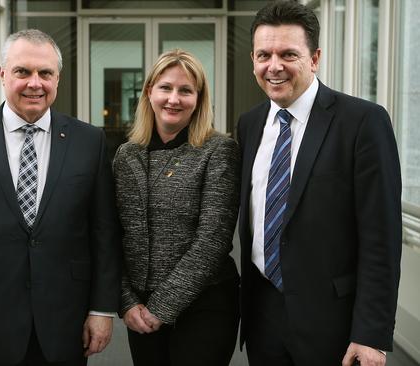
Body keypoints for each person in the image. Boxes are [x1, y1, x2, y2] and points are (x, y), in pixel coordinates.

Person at [0, 29, 121, 366]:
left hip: (65, 320)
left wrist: (101, 309)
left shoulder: (90, 142)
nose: (35, 83)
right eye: (23, 71)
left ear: (57, 79)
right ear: (3, 74)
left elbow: (104, 232)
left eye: (45, 73)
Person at [236, 2, 402, 366]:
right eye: (264, 54)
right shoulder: (248, 125)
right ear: (252, 59)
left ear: (315, 58)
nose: (274, 66)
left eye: (288, 54)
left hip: (334, 326)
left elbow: (381, 239)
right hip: (263, 316)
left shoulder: (363, 122)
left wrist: (370, 334)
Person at [113, 49, 240, 366]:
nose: (174, 98)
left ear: (199, 99)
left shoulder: (218, 150)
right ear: (149, 92)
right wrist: (126, 301)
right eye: (166, 88)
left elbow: (213, 238)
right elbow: (111, 233)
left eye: (186, 90)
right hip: (140, 308)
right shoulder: (125, 155)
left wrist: (162, 307)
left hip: (205, 304)